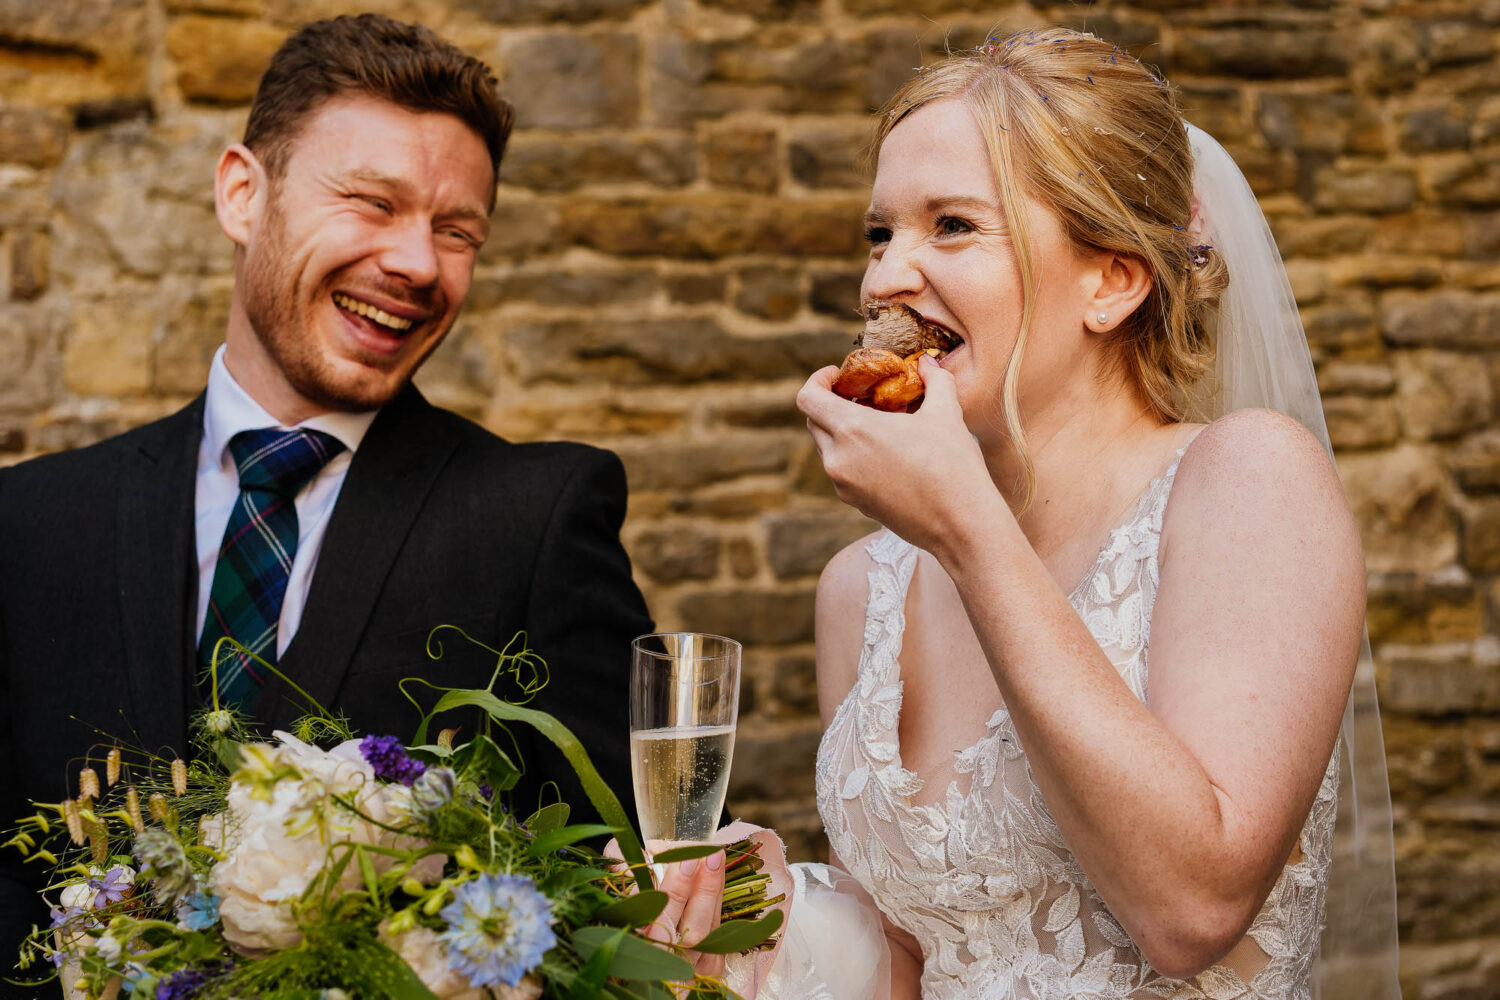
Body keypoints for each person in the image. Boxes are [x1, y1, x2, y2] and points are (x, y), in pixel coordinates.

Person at [708, 26, 1401, 1000]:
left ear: (1113, 279)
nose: (883, 279)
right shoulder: (861, 588)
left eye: (950, 225)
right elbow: (912, 967)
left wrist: (967, 530)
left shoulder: (1249, 483)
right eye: (880, 232)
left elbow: (1191, 910)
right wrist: (777, 925)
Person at [0, 15, 651, 992]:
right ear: (241, 193)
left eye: (456, 230)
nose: (419, 264)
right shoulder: (30, 524)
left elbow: (618, 900)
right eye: (371, 203)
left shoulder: (539, 520)